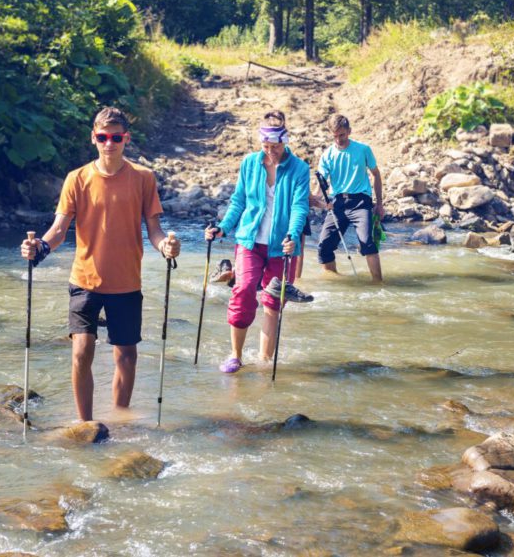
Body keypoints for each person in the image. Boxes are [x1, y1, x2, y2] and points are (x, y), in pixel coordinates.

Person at [20, 106, 180, 422]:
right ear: (94, 138)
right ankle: (86, 426)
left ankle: (120, 421)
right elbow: (58, 231)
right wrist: (38, 247)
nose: (110, 143)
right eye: (103, 137)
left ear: (126, 139)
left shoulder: (143, 178)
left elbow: (155, 231)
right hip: (84, 281)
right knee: (81, 353)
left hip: (127, 283)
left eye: (116, 137)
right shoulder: (76, 179)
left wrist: (167, 247)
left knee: (127, 358)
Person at [204, 110, 310, 373]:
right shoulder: (250, 163)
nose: (271, 152)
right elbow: (239, 200)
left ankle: (264, 361)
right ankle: (235, 356)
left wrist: (293, 235)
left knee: (273, 302)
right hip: (250, 241)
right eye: (266, 146)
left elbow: (299, 207)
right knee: (243, 290)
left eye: (275, 146)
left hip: (281, 246)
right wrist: (223, 228)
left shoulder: (300, 169)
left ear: (285, 141)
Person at [316, 114, 384, 282]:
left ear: (349, 131)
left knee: (367, 242)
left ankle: (378, 284)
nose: (338, 139)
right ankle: (334, 282)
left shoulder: (363, 149)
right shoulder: (327, 155)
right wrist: (316, 200)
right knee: (324, 246)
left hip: (361, 202)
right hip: (337, 203)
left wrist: (380, 204)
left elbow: (376, 174)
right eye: (335, 136)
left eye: (342, 135)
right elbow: (320, 186)